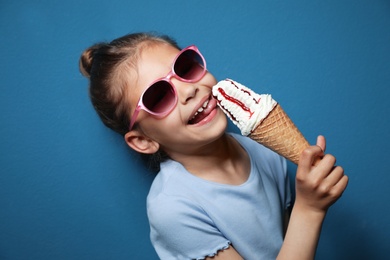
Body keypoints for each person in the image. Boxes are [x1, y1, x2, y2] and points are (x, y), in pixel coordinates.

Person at [79, 32, 348, 260]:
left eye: (184, 68)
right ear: (143, 140)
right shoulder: (173, 210)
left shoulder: (264, 150)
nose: (189, 90)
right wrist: (310, 209)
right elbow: (303, 220)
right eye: (158, 96)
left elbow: (290, 244)